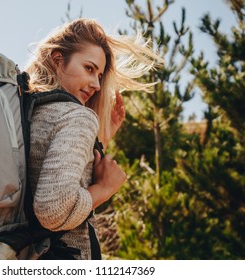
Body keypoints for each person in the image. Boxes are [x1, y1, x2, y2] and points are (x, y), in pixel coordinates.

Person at [25, 18, 161, 260]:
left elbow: (55, 174)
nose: (97, 84)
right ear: (57, 60)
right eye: (89, 68)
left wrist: (100, 141)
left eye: (99, 75)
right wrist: (105, 188)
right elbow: (53, 210)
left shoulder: (27, 112)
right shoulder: (78, 117)